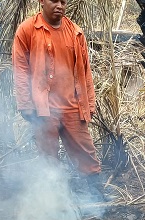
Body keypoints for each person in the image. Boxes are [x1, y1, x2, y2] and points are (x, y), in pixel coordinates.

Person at [12, 0, 104, 200]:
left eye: (63, 1)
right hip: (43, 110)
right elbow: (20, 70)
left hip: (72, 107)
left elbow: (85, 71)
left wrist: (89, 102)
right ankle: (54, 202)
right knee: (48, 158)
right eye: (54, 0)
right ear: (42, 1)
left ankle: (97, 197)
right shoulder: (27, 30)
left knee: (86, 154)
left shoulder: (76, 32)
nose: (60, 5)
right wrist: (26, 104)